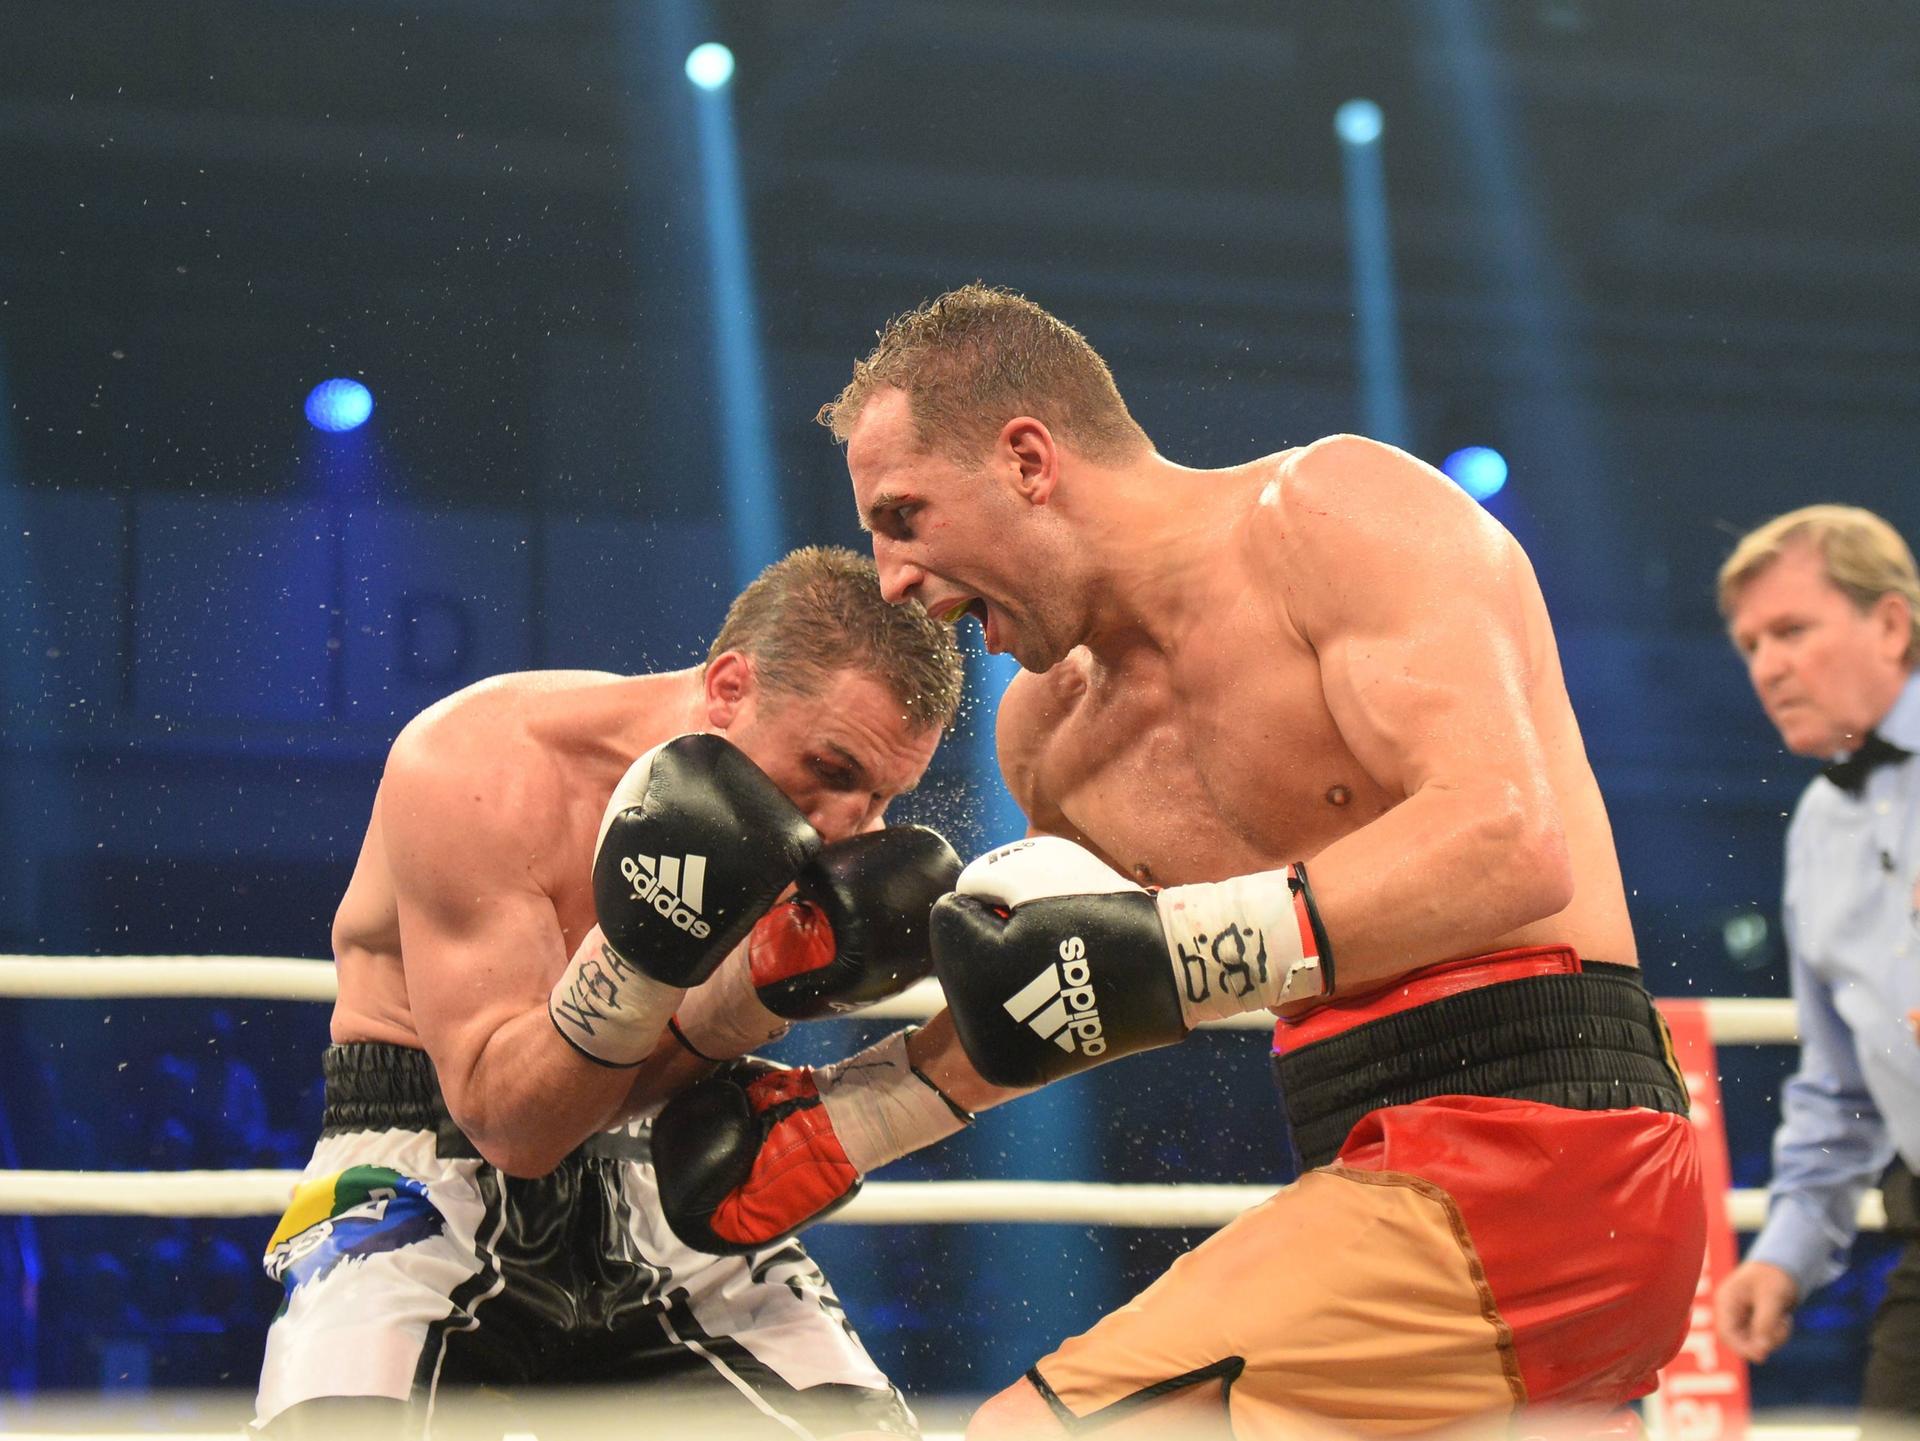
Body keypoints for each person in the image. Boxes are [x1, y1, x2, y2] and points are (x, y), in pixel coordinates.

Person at [648, 284, 1705, 1437]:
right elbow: (1067, 993)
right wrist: (859, 1119)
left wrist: (1182, 943)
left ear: (1027, 461)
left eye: (903, 514)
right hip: (1388, 1192)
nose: (892, 576)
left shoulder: (1333, 513)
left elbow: (1510, 839)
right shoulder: (1048, 736)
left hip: (1549, 1161)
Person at [253, 546, 966, 1440]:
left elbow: (645, 1069)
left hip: (659, 1177)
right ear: (730, 687)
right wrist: (693, 974)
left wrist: (761, 991)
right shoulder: (481, 767)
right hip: (425, 1175)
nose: (846, 828)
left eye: (882, 794)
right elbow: (513, 1126)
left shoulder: (812, 823)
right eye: (831, 769)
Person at [1714, 505, 1920, 1419]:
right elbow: (1841, 1087)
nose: (1767, 667)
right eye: (1751, 643)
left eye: (1792, 630)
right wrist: (1784, 1251)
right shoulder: (1821, 835)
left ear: (1890, 621)